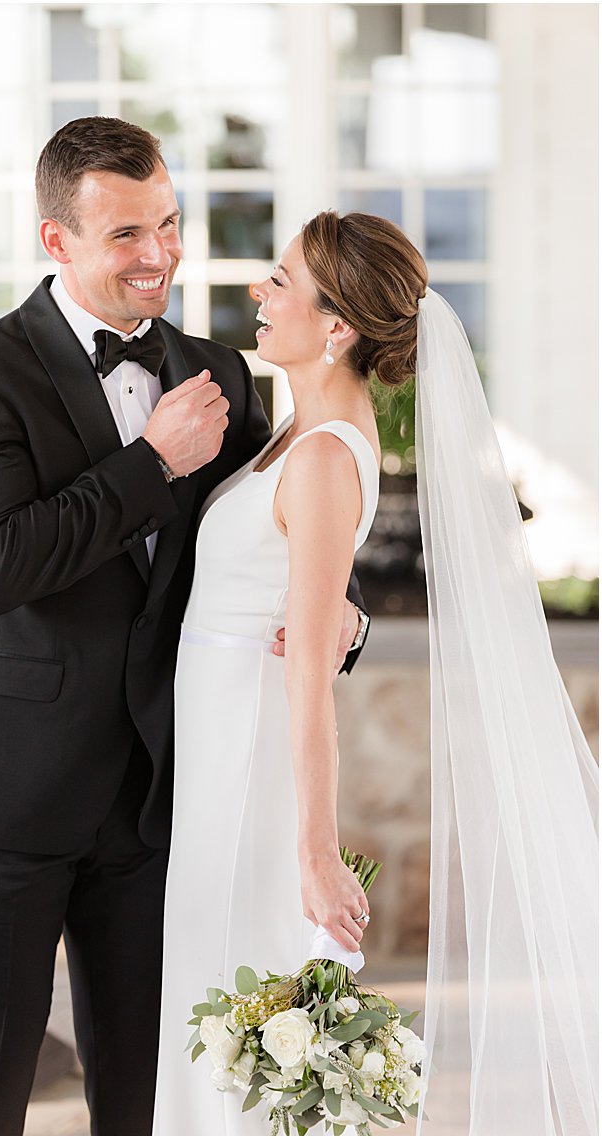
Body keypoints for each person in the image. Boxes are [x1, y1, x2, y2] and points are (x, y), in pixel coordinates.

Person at [0, 116, 367, 1135]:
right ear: (55, 240)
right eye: (124, 234)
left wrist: (336, 613)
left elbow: (271, 533)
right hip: (7, 797)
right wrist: (147, 462)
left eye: (167, 222)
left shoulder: (223, 372)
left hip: (164, 801)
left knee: (151, 1094)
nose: (158, 254)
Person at [154, 212, 598, 1135]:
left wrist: (316, 848)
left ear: (338, 327)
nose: (259, 296)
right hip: (211, 746)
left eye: (282, 283)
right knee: (210, 1001)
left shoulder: (322, 457)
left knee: (226, 1000)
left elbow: (310, 669)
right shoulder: (299, 432)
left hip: (245, 762)